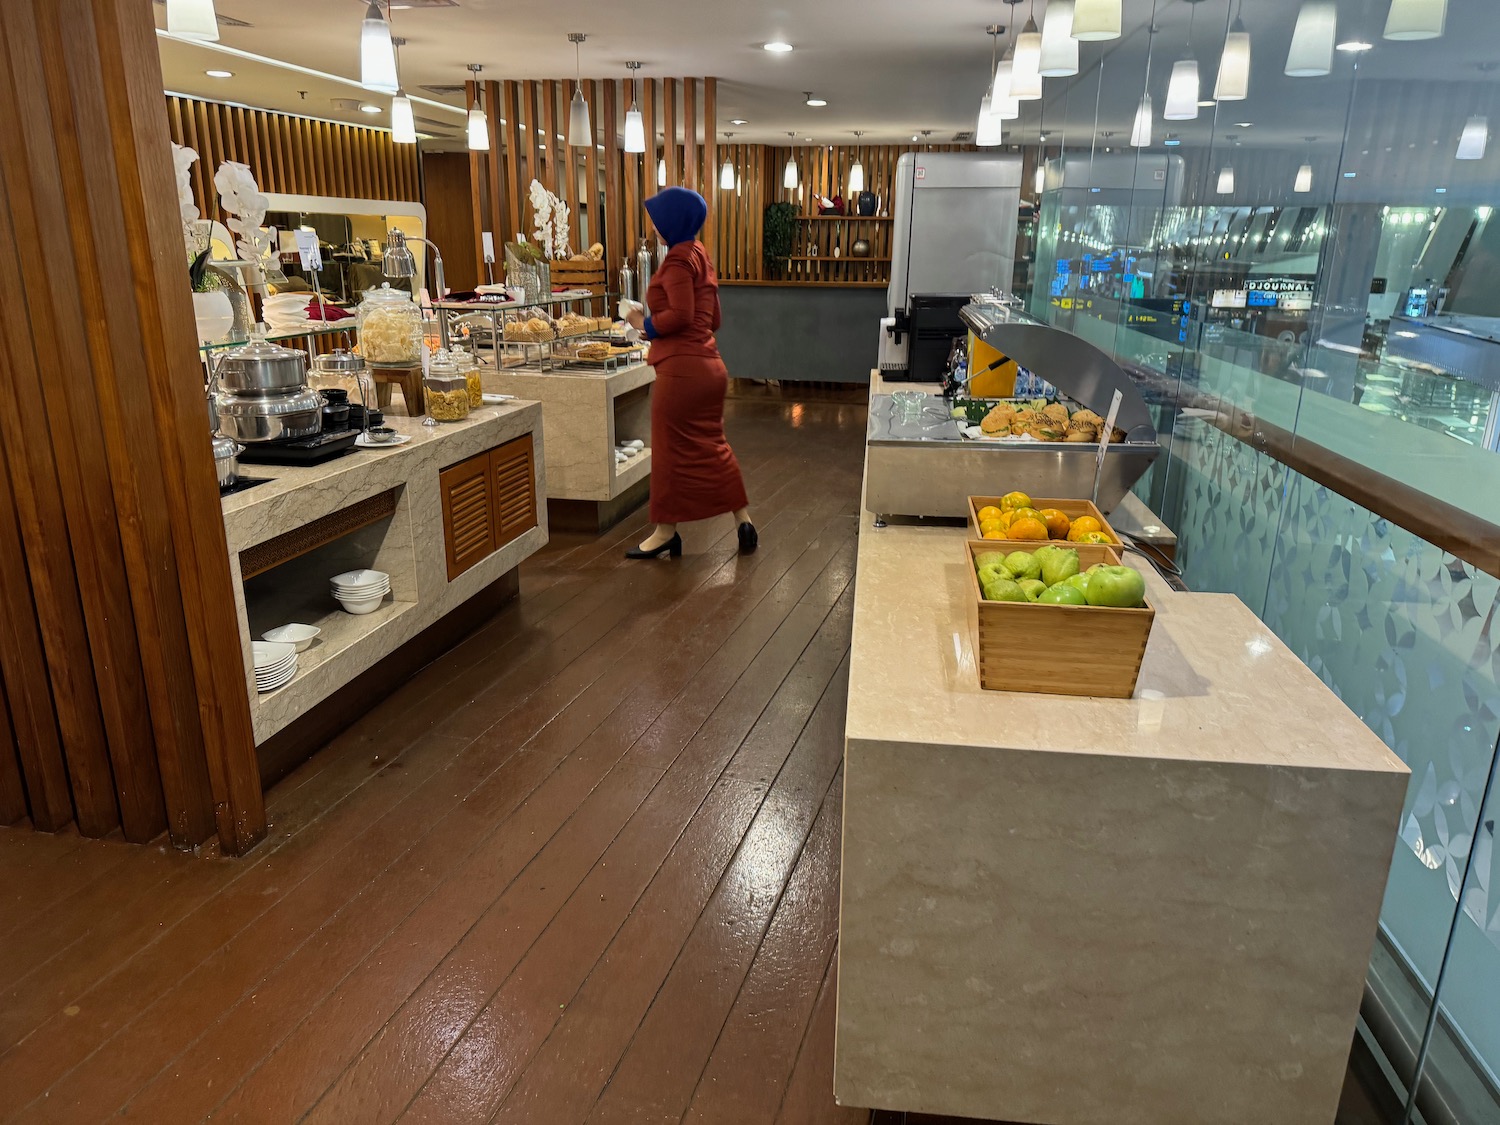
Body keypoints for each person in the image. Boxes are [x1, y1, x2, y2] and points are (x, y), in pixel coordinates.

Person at [621, 186, 755, 560]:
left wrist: (641, 322)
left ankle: (665, 533)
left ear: (672, 222)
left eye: (658, 221)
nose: (655, 228)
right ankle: (743, 521)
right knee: (713, 447)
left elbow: (678, 316)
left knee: (668, 452)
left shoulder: (678, 260)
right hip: (710, 367)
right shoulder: (701, 256)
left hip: (681, 372)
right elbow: (713, 318)